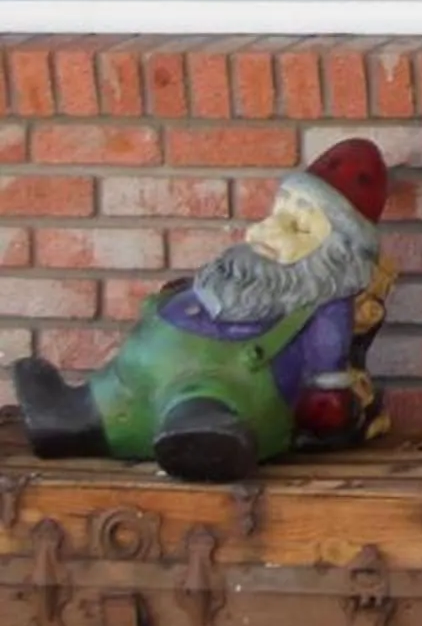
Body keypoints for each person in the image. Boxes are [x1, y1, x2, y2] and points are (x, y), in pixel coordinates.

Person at [13, 138, 395, 480]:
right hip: (141, 373)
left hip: (225, 386)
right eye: (281, 212)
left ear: (336, 254)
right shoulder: (239, 271)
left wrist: (329, 411)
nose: (271, 230)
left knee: (201, 401)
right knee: (114, 398)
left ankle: (206, 439)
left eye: (297, 225)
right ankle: (67, 417)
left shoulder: (325, 307)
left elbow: (325, 387)